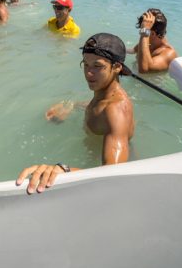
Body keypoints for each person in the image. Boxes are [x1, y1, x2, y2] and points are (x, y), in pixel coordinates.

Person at [16, 33, 135, 194]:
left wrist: (63, 170)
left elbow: (112, 174)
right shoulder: (104, 95)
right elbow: (99, 106)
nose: (89, 73)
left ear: (117, 67)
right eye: (85, 64)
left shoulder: (116, 110)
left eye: (97, 66)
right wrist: (72, 105)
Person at [130, 8, 177, 73]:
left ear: (152, 33)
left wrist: (145, 32)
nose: (140, 32)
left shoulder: (169, 53)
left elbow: (144, 69)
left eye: (141, 30)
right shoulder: (148, 42)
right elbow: (132, 51)